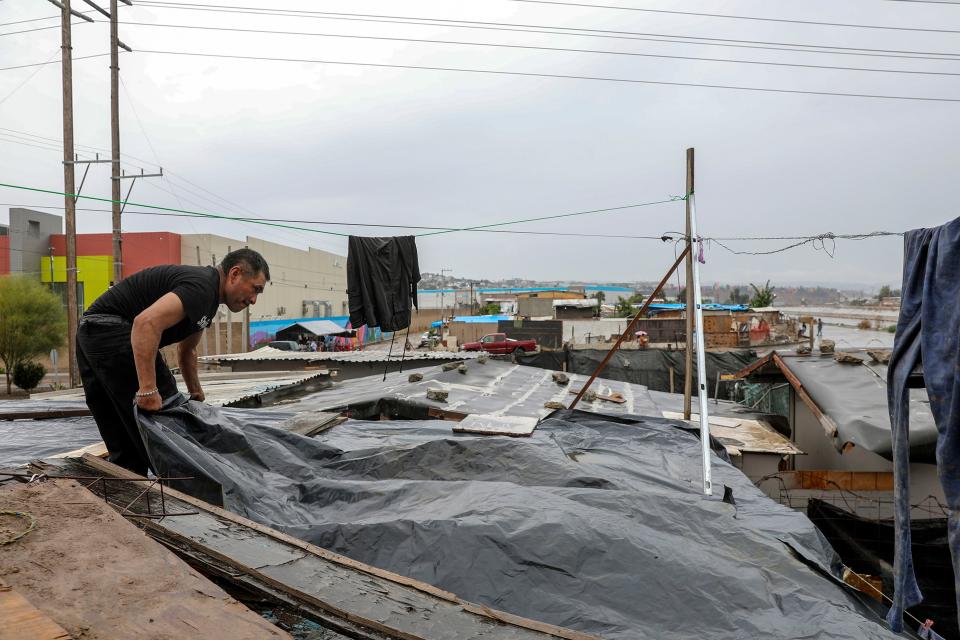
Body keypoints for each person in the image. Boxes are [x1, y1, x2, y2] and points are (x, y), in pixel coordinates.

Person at [76, 248, 270, 475]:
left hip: (90, 333)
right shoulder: (202, 287)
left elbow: (187, 349)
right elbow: (145, 324)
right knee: (167, 423)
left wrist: (196, 393)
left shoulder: (207, 298)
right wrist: (148, 389)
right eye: (255, 289)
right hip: (111, 331)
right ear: (234, 274)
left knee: (125, 439)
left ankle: (131, 490)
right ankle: (190, 489)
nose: (254, 300)